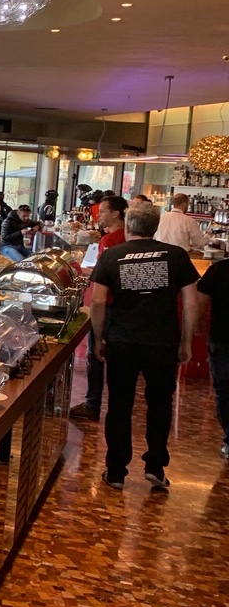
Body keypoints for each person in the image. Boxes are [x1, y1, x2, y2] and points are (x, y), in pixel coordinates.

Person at [89, 203, 199, 491]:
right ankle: (155, 466)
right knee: (160, 403)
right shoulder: (176, 255)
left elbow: (98, 301)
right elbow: (191, 302)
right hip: (162, 341)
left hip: (122, 340)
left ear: (128, 227)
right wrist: (186, 340)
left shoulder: (112, 255)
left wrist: (98, 338)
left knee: (119, 404)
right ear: (156, 227)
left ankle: (116, 471)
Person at [70, 196, 128, 421]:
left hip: (107, 302)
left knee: (96, 354)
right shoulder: (128, 237)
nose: (98, 215)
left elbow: (104, 275)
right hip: (123, 305)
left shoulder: (110, 240)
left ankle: (92, 403)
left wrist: (82, 271)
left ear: (116, 213)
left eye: (102, 211)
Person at [194, 256, 229, 461]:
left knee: (224, 389)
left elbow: (200, 299)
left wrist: (197, 323)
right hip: (221, 338)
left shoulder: (219, 269)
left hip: (222, 337)